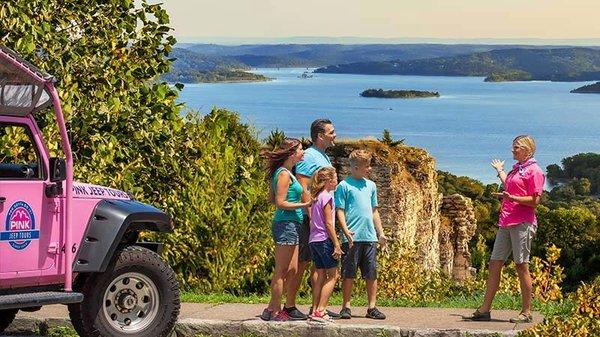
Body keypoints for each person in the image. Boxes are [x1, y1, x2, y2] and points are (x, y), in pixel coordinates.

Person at [469, 135, 545, 323]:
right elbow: (510, 187)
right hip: (507, 222)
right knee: (495, 263)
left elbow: (535, 201)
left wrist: (513, 199)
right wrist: (500, 171)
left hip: (522, 224)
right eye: (513, 147)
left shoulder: (534, 171)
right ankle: (485, 309)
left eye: (516, 147)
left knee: (521, 265)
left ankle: (526, 312)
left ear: (528, 150)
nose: (513, 150)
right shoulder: (517, 169)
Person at [283, 119, 337, 320]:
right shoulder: (309, 157)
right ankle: (289, 305)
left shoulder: (323, 156)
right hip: (311, 219)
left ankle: (317, 307)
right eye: (331, 132)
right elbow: (304, 187)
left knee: (319, 265)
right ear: (320, 136)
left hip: (319, 219)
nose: (335, 135)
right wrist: (313, 216)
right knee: (303, 261)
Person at [261, 138, 312, 322]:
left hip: (293, 225)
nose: (303, 152)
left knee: (292, 269)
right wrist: (305, 204)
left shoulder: (289, 172)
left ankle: (270, 308)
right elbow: (280, 203)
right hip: (286, 225)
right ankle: (275, 312)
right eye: (300, 149)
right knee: (281, 271)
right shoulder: (283, 174)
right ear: (291, 153)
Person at [335, 149, 388, 320]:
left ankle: (372, 307)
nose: (370, 169)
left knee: (371, 273)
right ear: (356, 167)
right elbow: (340, 211)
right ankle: (346, 306)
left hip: (370, 237)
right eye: (367, 166)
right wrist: (345, 231)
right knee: (348, 273)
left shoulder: (371, 186)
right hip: (351, 238)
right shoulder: (344, 186)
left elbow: (374, 211)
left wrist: (380, 233)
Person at [307, 167, 344, 323]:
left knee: (321, 275)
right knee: (333, 276)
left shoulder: (316, 197)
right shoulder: (327, 198)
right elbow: (329, 223)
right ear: (329, 180)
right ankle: (321, 310)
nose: (337, 180)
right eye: (336, 178)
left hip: (314, 240)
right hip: (324, 240)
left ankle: (315, 309)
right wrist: (336, 244)